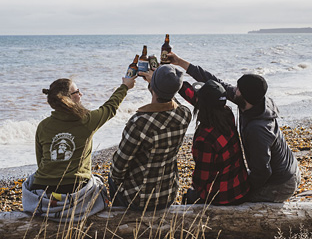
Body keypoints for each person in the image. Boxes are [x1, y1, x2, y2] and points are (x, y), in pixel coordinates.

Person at [169, 52, 300, 203]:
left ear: (244, 96)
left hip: (281, 183)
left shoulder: (258, 129)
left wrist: (242, 190)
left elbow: (262, 172)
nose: (233, 89)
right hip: (285, 167)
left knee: (239, 200)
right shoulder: (252, 102)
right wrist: (180, 63)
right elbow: (214, 84)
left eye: (238, 89)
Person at [22, 76, 135, 221]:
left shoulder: (43, 126)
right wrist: (125, 87)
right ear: (67, 98)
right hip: (75, 189)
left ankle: (51, 207)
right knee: (98, 184)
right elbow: (110, 107)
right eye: (77, 92)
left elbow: (41, 161)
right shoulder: (87, 120)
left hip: (43, 189)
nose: (80, 94)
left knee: (31, 180)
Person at [109, 64, 192, 211]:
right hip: (168, 195)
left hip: (138, 200)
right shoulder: (185, 115)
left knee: (112, 176)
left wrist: (154, 84)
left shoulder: (140, 122)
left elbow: (118, 168)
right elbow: (172, 103)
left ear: (153, 88)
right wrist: (156, 84)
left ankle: (119, 219)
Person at [179, 79, 250, 205]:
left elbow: (201, 179)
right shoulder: (227, 113)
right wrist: (176, 83)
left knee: (188, 197)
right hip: (241, 187)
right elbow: (199, 100)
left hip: (223, 197)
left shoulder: (205, 138)